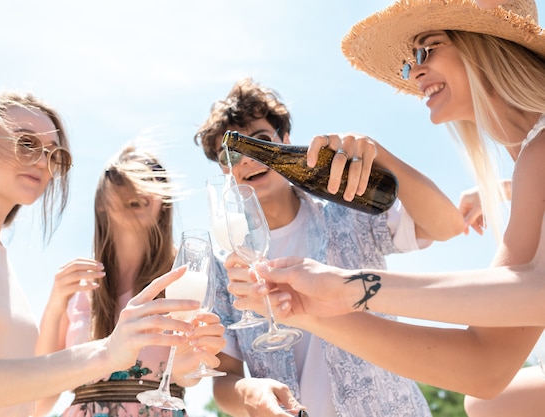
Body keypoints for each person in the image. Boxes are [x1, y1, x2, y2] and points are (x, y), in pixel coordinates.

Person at [229, 1, 545, 416]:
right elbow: (484, 367)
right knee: (489, 405)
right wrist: (309, 313)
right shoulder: (531, 158)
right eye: (411, 60)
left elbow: (536, 293)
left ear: (485, 46)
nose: (414, 72)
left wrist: (352, 286)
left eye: (428, 49)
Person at [0, 91, 204, 417]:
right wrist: (107, 352)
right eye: (26, 143)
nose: (43, 161)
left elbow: (24, 402)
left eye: (54, 155)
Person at [192, 77, 465, 416]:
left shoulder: (349, 211)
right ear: (223, 169)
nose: (248, 158)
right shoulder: (224, 268)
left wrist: (379, 153)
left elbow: (447, 226)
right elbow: (224, 378)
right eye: (232, 153)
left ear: (285, 142)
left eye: (260, 142)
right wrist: (248, 392)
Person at [36, 143, 225, 417]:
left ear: (163, 202)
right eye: (120, 175)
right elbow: (36, 403)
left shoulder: (183, 277)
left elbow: (188, 377)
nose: (136, 184)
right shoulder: (77, 287)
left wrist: (192, 361)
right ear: (100, 200)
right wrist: (55, 305)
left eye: (153, 175)